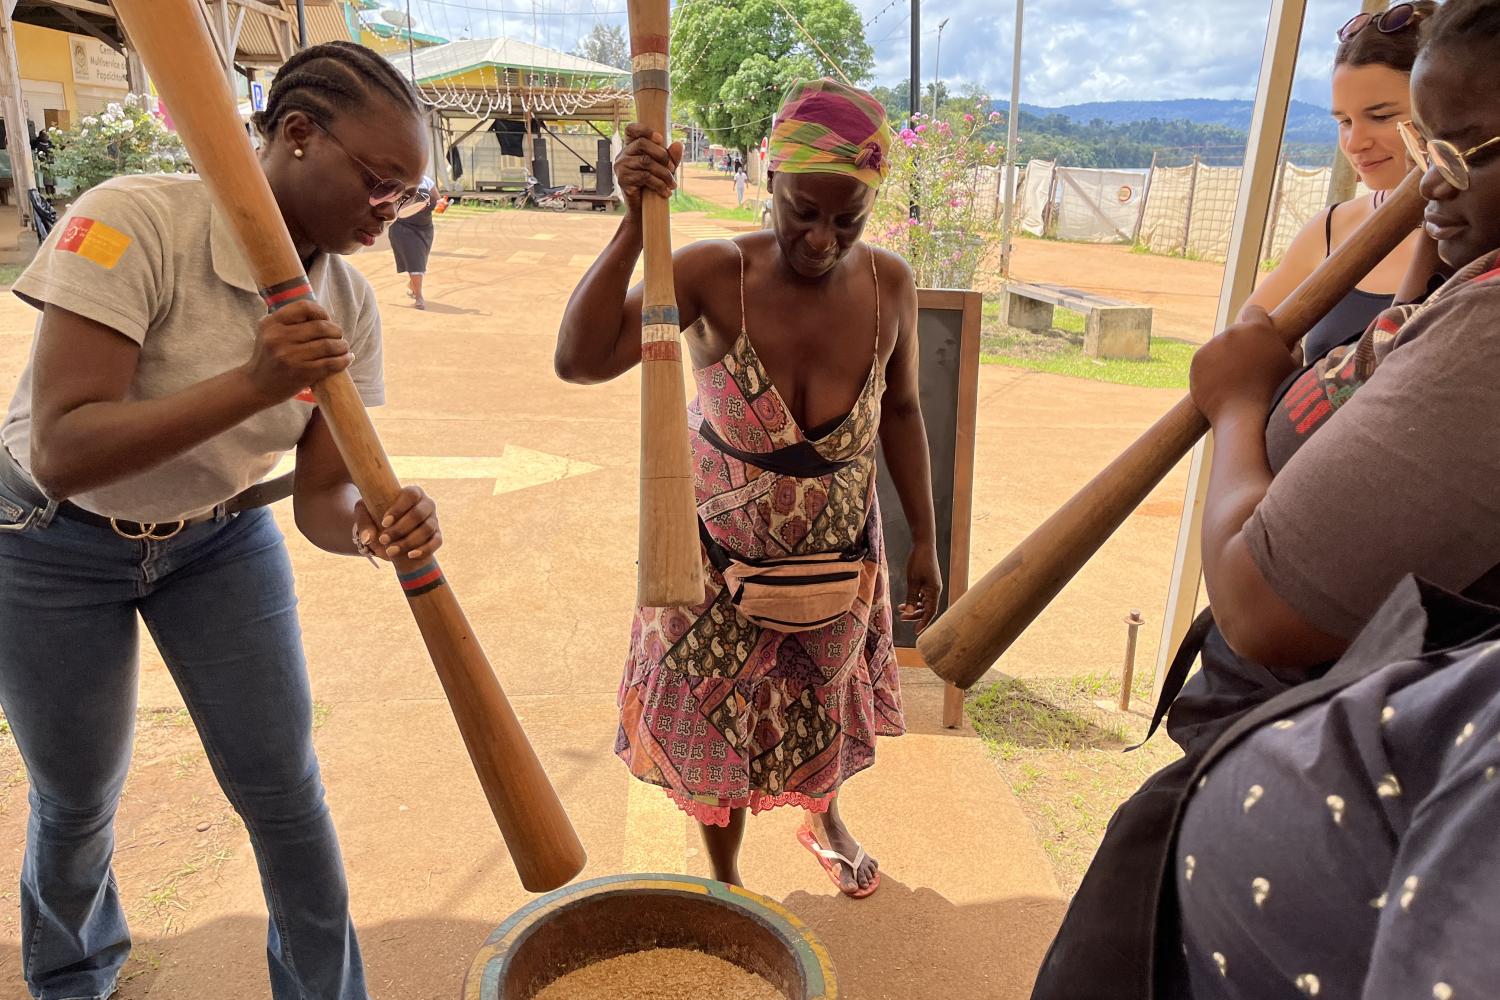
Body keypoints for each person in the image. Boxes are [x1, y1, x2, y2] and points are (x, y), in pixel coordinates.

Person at [1033, 2, 1500, 995]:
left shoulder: (1465, 281)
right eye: (1356, 122)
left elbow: (1260, 603)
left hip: (1306, 695)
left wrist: (1244, 403)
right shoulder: (1376, 232)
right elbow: (1258, 334)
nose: (1402, 160)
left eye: (1438, 139)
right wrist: (1251, 375)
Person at [0, 41, 441, 1000]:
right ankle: (73, 979)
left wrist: (374, 523)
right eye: (379, 183)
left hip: (217, 540)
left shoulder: (347, 302)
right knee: (76, 797)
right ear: (295, 135)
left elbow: (324, 498)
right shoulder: (133, 220)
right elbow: (65, 449)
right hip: (46, 540)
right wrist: (254, 383)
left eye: (405, 197)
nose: (389, 211)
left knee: (285, 793)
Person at [556, 79, 942, 899]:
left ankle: (824, 816)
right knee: (714, 719)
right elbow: (580, 360)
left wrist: (927, 543)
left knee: (826, 698)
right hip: (714, 559)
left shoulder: (889, 286)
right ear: (768, 178)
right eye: (803, 209)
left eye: (848, 218)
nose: (820, 238)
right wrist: (635, 225)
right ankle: (727, 879)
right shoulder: (710, 273)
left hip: (839, 552)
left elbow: (902, 412)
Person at [1246, 1, 1435, 362]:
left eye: (1380, 116)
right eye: (1344, 122)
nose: (1354, 143)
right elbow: (1241, 345)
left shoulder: (1472, 243)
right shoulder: (1331, 229)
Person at [390, 174, 438, 309]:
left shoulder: (426, 180)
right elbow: (392, 205)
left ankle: (413, 285)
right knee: (416, 262)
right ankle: (419, 298)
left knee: (420, 262)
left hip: (425, 229)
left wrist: (442, 205)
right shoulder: (398, 182)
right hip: (403, 228)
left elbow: (437, 201)